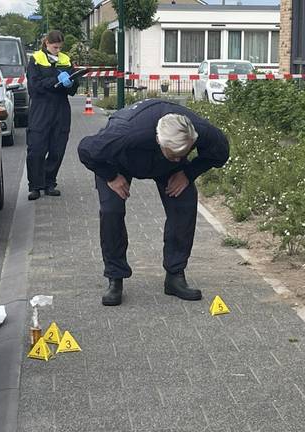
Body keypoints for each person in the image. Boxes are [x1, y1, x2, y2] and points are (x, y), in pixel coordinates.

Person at [78, 99, 230, 306]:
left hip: (164, 168)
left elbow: (221, 153)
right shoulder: (124, 133)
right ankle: (115, 277)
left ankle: (175, 275)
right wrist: (111, 176)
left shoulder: (199, 130)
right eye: (174, 155)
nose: (178, 159)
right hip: (116, 162)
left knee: (184, 204)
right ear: (159, 141)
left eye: (182, 154)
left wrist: (187, 172)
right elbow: (85, 150)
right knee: (111, 211)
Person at [26, 30, 80, 200]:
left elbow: (73, 89)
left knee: (57, 148)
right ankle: (35, 185)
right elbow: (34, 87)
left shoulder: (65, 60)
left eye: (59, 47)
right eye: (55, 47)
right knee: (36, 148)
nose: (57, 50)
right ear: (47, 43)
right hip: (41, 108)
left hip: (61, 109)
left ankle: (50, 183)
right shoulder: (36, 59)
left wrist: (71, 82)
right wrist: (56, 81)